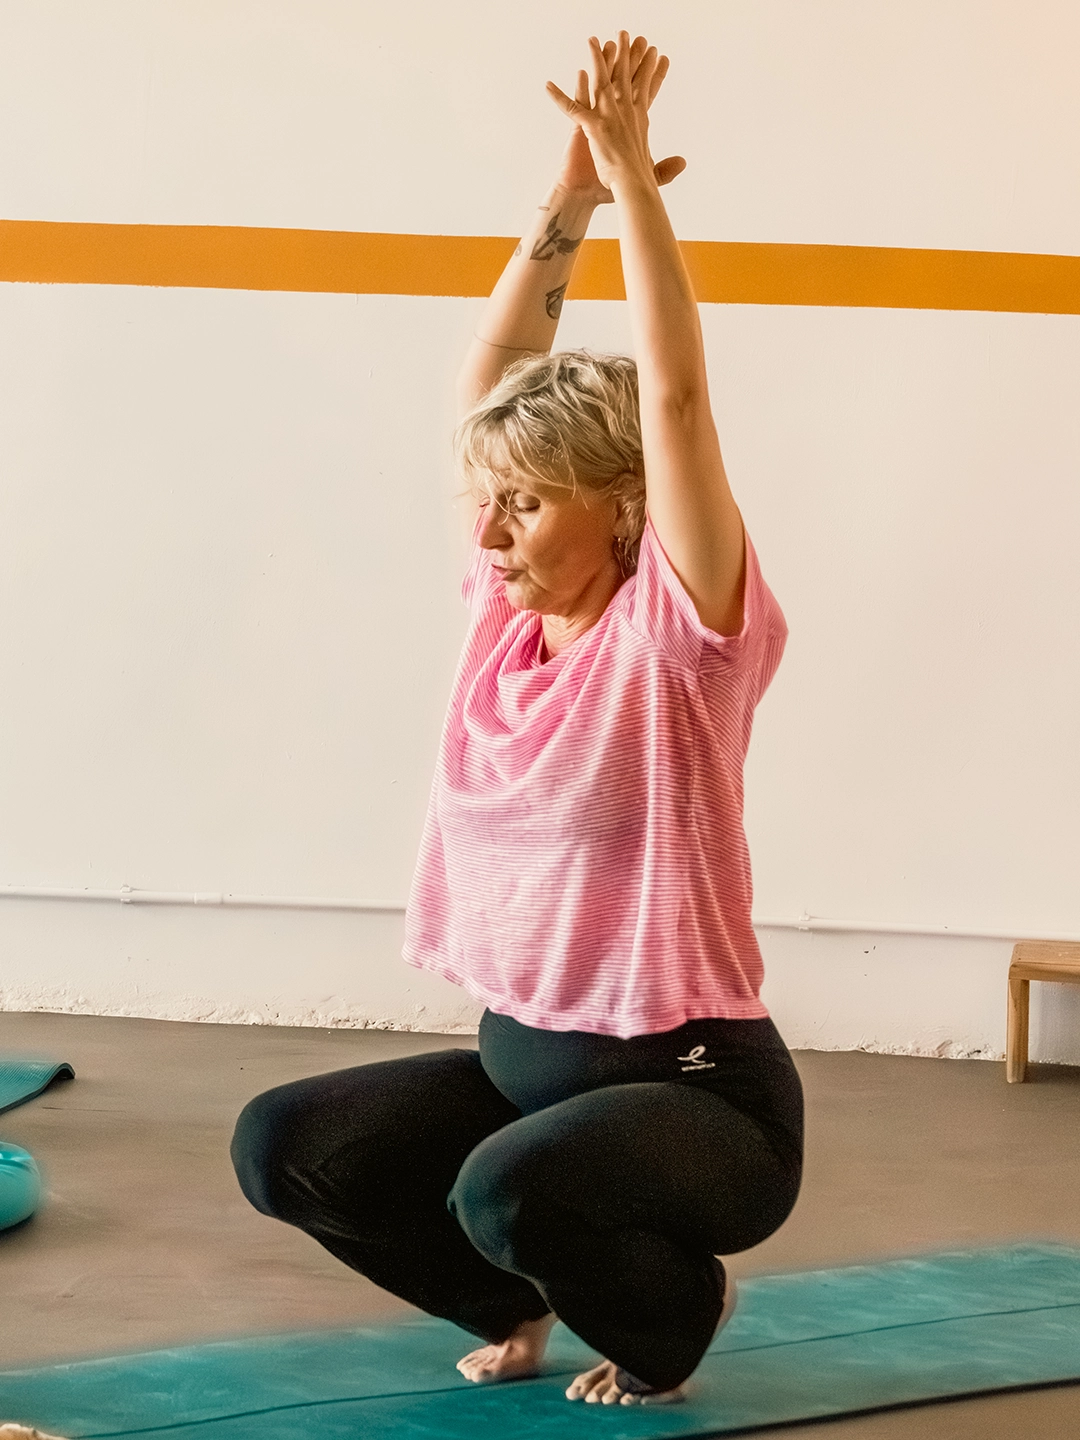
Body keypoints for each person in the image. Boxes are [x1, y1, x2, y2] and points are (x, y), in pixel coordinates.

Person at [231, 31, 803, 1407]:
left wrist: (641, 192)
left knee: (511, 1188)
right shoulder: (505, 616)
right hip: (527, 1074)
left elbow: (675, 401)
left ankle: (666, 1326)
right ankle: (517, 1302)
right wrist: (569, 205)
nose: (486, 530)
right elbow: (494, 366)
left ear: (620, 509)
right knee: (287, 1145)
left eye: (527, 502)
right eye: (487, 497)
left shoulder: (681, 640)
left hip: (700, 1099)